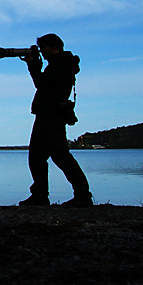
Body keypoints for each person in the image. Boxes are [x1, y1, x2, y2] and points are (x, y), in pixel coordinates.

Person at [18, 33, 93, 207]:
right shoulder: (58, 63)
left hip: (52, 115)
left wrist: (33, 65)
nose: (41, 51)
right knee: (36, 157)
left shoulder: (62, 62)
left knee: (60, 156)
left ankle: (82, 195)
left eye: (43, 47)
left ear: (54, 46)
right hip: (45, 114)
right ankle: (40, 196)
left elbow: (42, 83)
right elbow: (45, 83)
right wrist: (36, 65)